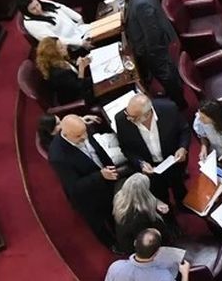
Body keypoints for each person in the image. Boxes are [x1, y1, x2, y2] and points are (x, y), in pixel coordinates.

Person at [109, 0, 186, 108]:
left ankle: (179, 103)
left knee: (165, 74)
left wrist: (148, 54)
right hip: (154, 37)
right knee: (166, 72)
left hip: (154, 48)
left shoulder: (141, 4)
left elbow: (153, 34)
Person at [47, 115, 122, 248]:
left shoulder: (81, 130)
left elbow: (98, 150)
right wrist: (100, 175)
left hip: (106, 181)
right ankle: (112, 245)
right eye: (78, 136)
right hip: (88, 196)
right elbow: (74, 186)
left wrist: (109, 168)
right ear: (65, 133)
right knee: (98, 223)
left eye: (84, 133)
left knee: (113, 212)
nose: (84, 138)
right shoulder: (58, 156)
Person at [114, 92, 190, 208]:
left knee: (179, 187)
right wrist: (140, 163)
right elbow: (126, 149)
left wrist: (182, 148)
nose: (128, 119)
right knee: (160, 196)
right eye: (127, 114)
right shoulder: (121, 120)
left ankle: (183, 205)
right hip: (150, 169)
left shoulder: (169, 108)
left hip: (173, 160)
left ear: (148, 114)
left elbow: (184, 130)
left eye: (133, 117)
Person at [112, 174, 175, 255]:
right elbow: (148, 237)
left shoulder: (119, 190)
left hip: (127, 234)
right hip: (137, 246)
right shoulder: (139, 216)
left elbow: (141, 196)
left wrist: (157, 202)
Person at [34, 38, 91, 106]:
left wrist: (78, 64)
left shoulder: (58, 61)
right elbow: (80, 86)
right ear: (55, 53)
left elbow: (72, 77)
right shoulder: (59, 73)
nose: (65, 46)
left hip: (76, 88)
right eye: (61, 47)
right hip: (77, 99)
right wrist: (81, 69)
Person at [20, 0, 88, 49]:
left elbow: (61, 7)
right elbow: (54, 40)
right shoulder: (31, 24)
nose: (38, 9)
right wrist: (80, 43)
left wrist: (80, 19)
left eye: (37, 5)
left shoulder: (38, 2)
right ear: (27, 12)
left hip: (79, 29)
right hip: (72, 45)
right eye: (33, 9)